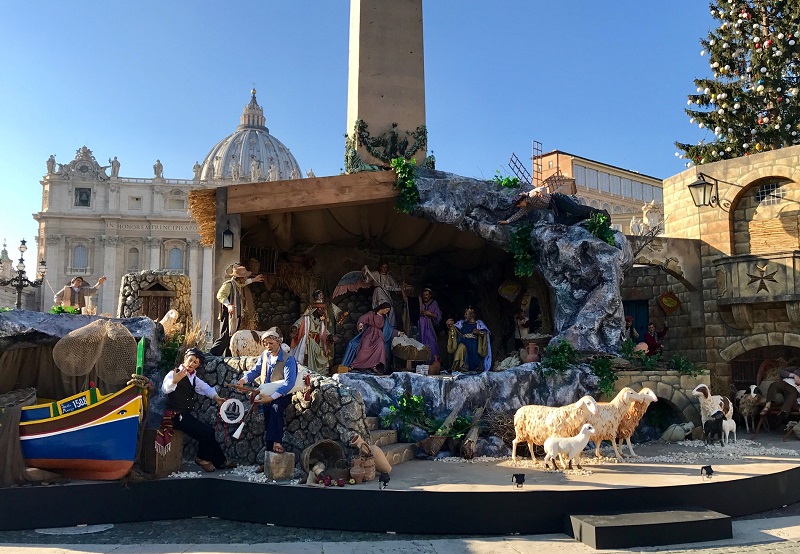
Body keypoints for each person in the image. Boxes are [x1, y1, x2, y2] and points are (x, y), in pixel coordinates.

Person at [159, 348, 236, 472]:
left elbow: (206, 388)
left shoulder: (193, 378)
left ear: (198, 365)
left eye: (195, 362)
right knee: (208, 431)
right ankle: (202, 458)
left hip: (185, 415)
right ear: (185, 359)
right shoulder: (173, 373)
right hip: (175, 416)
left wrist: (217, 398)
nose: (192, 364)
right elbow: (165, 389)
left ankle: (221, 461)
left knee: (207, 434)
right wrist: (175, 380)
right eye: (190, 360)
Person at [237, 328, 297, 469]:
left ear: (278, 342)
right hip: (266, 393)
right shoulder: (265, 356)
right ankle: (269, 457)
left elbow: (289, 383)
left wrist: (272, 397)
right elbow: (256, 370)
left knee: (276, 408)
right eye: (266, 343)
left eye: (271, 343)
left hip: (282, 394)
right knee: (268, 417)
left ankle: (277, 442)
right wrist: (243, 380)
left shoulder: (289, 360)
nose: (268, 346)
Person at [209, 264, 265, 356]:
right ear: (240, 277)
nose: (245, 278)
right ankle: (212, 356)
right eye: (244, 277)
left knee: (232, 337)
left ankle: (228, 356)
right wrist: (228, 305)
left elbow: (244, 283)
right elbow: (220, 295)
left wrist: (254, 280)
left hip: (236, 316)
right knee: (225, 337)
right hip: (229, 315)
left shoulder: (237, 284)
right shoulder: (229, 285)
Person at [290, 289, 347, 376]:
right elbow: (299, 323)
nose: (321, 311)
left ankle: (321, 371)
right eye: (319, 309)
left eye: (322, 309)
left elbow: (325, 331)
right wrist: (294, 329)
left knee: (322, 355)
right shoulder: (307, 318)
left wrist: (331, 336)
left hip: (319, 339)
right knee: (307, 355)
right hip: (309, 340)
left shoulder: (322, 320)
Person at [498, 186, 609, 226]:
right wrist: (507, 221)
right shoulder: (529, 205)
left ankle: (601, 213)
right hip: (555, 207)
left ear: (521, 201)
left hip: (558, 199)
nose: (520, 207)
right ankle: (587, 217)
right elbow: (520, 214)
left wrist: (541, 192)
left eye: (519, 205)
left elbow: (542, 188)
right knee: (563, 222)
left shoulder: (530, 195)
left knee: (576, 210)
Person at [343, 302, 403, 374]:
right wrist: (361, 324)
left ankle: (374, 366)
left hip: (378, 335)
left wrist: (398, 332)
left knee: (380, 345)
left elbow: (389, 329)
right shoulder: (371, 314)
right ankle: (354, 365)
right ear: (382, 308)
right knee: (364, 347)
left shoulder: (384, 318)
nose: (387, 311)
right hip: (369, 333)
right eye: (386, 310)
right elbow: (363, 318)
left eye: (388, 310)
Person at [446, 307, 492, 372]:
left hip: (474, 346)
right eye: (465, 313)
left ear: (472, 315)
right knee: (461, 346)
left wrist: (479, 332)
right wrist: (450, 325)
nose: (465, 315)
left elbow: (484, 333)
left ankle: (470, 366)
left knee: (465, 347)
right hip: (464, 342)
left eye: (467, 313)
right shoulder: (461, 324)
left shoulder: (479, 324)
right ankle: (459, 366)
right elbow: (454, 331)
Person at [363, 261, 406, 327]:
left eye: (386, 267)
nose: (384, 269)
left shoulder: (389, 277)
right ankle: (379, 324)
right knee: (379, 308)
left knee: (390, 308)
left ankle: (390, 326)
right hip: (378, 293)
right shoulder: (376, 274)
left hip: (386, 293)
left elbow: (395, 286)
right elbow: (367, 280)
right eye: (383, 267)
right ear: (380, 267)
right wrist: (365, 272)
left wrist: (402, 286)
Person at [414, 287, 442, 362]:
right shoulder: (420, 302)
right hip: (421, 326)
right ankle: (422, 361)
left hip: (430, 326)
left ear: (430, 295)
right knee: (421, 343)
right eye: (424, 295)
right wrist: (419, 300)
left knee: (432, 342)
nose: (425, 296)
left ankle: (433, 361)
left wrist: (430, 314)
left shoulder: (434, 303)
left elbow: (438, 316)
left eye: (427, 295)